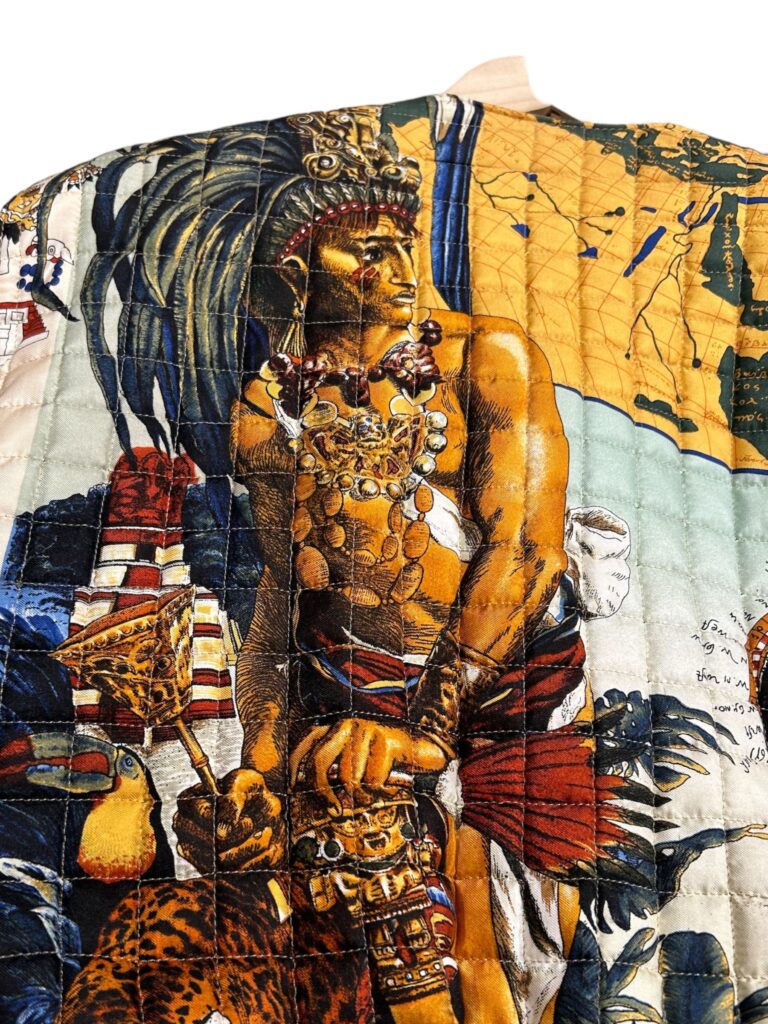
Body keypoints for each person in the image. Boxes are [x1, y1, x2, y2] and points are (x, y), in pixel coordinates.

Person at [41, 104, 642, 1023]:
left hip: (501, 698)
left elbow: (524, 550)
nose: (401, 268)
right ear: (297, 268)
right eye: (366, 249)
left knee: (487, 973)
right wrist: (259, 766)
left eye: (403, 241)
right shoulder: (266, 411)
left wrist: (428, 732)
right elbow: (284, 603)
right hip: (348, 712)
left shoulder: (489, 358)